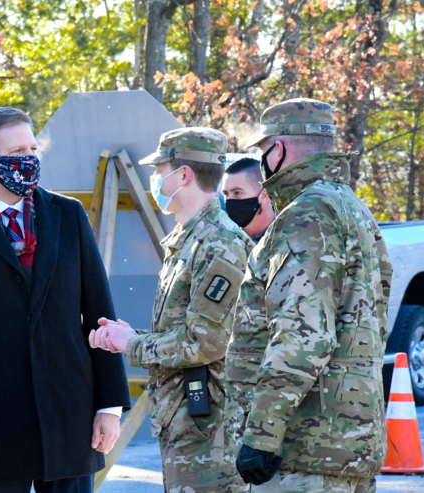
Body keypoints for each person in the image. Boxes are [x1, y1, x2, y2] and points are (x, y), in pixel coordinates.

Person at [0, 107, 131, 493]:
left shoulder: (68, 214)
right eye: (17, 152)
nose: (29, 159)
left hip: (70, 417)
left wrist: (109, 407)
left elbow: (100, 315)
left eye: (33, 148)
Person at [228, 98, 393, 493]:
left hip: (305, 453)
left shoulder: (306, 214)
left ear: (278, 151)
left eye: (264, 150)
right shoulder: (354, 209)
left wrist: (262, 434)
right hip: (350, 447)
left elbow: (303, 334)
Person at [89, 127, 252, 493]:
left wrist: (132, 344)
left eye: (160, 170)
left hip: (210, 433)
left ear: (184, 175)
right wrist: (129, 338)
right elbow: (188, 331)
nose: (156, 179)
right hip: (186, 424)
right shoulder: (189, 238)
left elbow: (206, 343)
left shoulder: (219, 244)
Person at [222, 157, 275, 242]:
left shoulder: (289, 236)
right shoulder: (224, 241)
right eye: (226, 194)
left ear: (264, 196)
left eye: (237, 193)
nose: (229, 201)